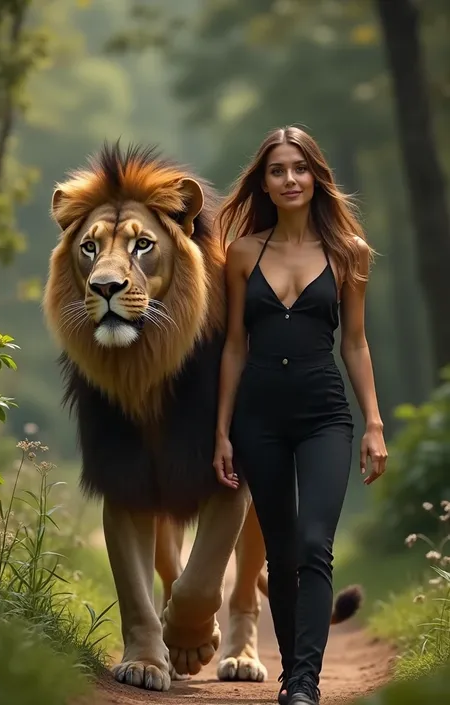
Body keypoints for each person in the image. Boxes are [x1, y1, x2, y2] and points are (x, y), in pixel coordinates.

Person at [212, 125, 388, 705]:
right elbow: (234, 346)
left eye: (299, 168)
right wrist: (222, 430)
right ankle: (295, 671)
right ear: (263, 181)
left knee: (314, 543)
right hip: (258, 418)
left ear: (316, 176)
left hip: (324, 415)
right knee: (282, 551)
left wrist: (374, 424)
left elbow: (355, 344)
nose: (289, 179)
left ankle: (303, 686)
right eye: (277, 170)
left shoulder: (348, 254)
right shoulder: (241, 253)